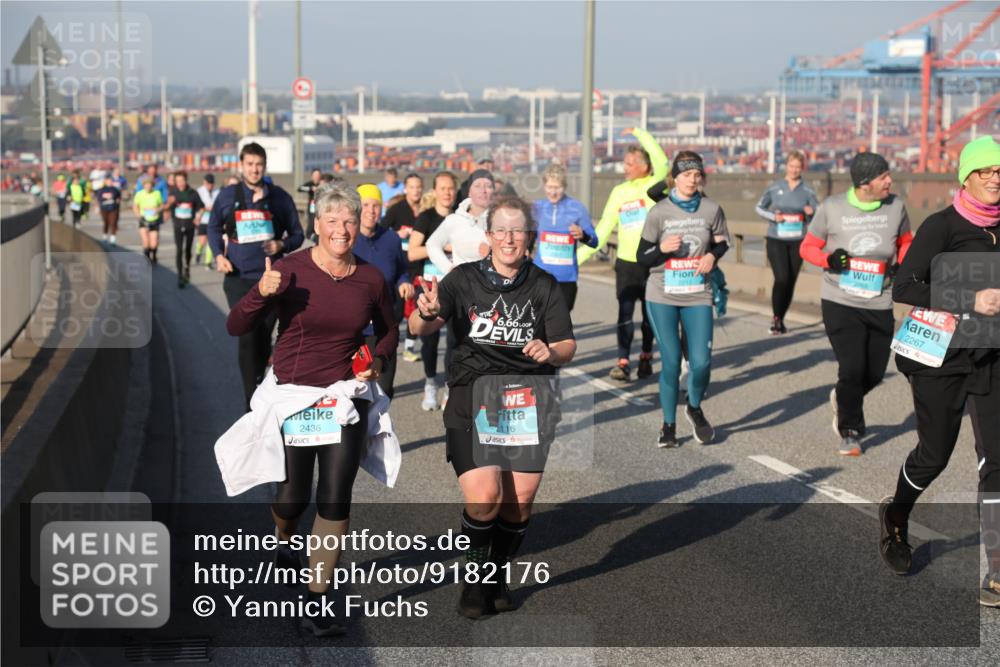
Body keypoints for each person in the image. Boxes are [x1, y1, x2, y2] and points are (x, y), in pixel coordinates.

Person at [225, 186, 399, 636]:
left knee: (335, 497)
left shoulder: (371, 278)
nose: (341, 230)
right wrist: (260, 294)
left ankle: (317, 600)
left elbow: (388, 329)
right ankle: (284, 538)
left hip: (343, 396)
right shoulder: (290, 270)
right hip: (293, 396)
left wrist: (377, 361)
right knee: (291, 499)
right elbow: (237, 325)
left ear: (358, 225)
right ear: (317, 225)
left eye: (349, 221)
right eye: (332, 220)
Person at [408, 195, 576, 619]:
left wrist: (551, 352)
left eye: (517, 230)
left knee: (518, 501)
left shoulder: (544, 285)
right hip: (472, 394)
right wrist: (424, 313)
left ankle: (494, 574)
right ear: (488, 236)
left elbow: (567, 344)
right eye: (501, 229)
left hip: (528, 398)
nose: (509, 238)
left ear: (529, 238)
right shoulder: (462, 280)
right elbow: (420, 324)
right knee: (485, 497)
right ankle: (474, 580)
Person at [879, 136, 1000, 606]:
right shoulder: (941, 226)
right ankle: (896, 516)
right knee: (935, 455)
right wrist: (971, 299)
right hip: (942, 358)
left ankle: (995, 570)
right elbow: (904, 286)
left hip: (991, 356)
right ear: (966, 177)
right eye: (984, 170)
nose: (994, 177)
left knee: (996, 462)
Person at [800, 152, 912, 456]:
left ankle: (844, 398)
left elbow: (905, 241)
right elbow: (807, 247)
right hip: (840, 299)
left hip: (880, 300)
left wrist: (903, 263)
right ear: (865, 183)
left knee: (874, 373)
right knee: (851, 368)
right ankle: (850, 430)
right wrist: (829, 260)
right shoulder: (832, 208)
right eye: (883, 176)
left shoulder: (896, 206)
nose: (889, 181)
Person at [636, 151, 730, 447]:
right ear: (674, 178)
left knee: (701, 363)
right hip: (662, 293)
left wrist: (713, 257)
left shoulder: (711, 209)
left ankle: (694, 406)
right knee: (672, 362)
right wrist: (662, 248)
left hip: (697, 293)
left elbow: (723, 242)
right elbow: (642, 258)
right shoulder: (659, 212)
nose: (692, 180)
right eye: (686, 174)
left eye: (697, 175)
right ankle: (668, 425)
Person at [208, 142, 304, 409]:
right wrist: (218, 255)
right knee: (247, 334)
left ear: (264, 166)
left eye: (258, 164)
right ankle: (250, 403)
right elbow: (214, 227)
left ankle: (263, 380)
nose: (254, 169)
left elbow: (298, 234)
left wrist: (281, 245)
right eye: (249, 164)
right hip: (238, 278)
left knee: (264, 334)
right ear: (241, 166)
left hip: (272, 277)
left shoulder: (280, 198)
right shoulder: (228, 196)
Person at [579, 128, 669, 382]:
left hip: (652, 261)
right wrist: (573, 261)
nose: (625, 168)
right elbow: (602, 232)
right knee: (625, 314)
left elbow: (663, 162)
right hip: (627, 263)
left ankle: (645, 356)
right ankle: (622, 361)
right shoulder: (619, 191)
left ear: (644, 166)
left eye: (630, 163)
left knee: (651, 315)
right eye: (624, 163)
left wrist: (639, 133)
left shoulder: (654, 185)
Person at [352, 184, 414, 398]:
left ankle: (379, 431)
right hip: (355, 329)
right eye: (366, 205)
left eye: (376, 205)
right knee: (357, 390)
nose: (371, 210)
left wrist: (404, 283)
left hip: (385, 326)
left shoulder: (391, 239)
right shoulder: (347, 238)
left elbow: (401, 271)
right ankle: (360, 431)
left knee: (384, 389)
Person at [409, 171, 459, 411]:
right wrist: (439, 247)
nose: (447, 193)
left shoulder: (462, 217)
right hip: (431, 288)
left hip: (457, 288)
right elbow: (412, 252)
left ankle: (449, 386)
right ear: (435, 191)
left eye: (451, 188)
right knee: (429, 342)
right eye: (443, 188)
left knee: (455, 341)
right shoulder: (427, 218)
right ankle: (430, 383)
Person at [755, 150, 820, 334]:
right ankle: (776, 318)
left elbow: (819, 213)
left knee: (791, 280)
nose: (794, 170)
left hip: (798, 240)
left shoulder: (808, 190)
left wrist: (811, 212)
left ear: (802, 168)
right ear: (786, 166)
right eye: (791, 166)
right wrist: (773, 216)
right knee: (782, 277)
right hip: (776, 239)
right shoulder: (775, 187)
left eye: (798, 167)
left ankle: (780, 319)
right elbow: (759, 208)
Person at [531, 163, 597, 310]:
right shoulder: (536, 208)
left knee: (561, 327)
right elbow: (527, 236)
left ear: (565, 186)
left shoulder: (577, 208)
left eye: (557, 188)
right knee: (539, 326)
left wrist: (583, 236)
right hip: (540, 276)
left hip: (567, 278)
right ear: (544, 186)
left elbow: (594, 241)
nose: (553, 192)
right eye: (549, 187)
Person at [382, 172, 424, 361]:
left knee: (417, 309)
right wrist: (397, 233)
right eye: (412, 187)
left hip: (422, 265)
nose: (416, 191)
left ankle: (409, 348)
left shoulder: (426, 209)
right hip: (401, 265)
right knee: (398, 312)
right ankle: (388, 343)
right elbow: (381, 230)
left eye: (419, 187)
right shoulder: (397, 209)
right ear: (405, 189)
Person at [166, 171, 205, 289]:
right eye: (177, 181)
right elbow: (166, 207)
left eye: (182, 181)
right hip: (177, 225)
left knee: (187, 249)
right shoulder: (173, 192)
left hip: (190, 225)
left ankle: (187, 267)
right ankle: (179, 276)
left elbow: (202, 207)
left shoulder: (193, 193)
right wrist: (169, 203)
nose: (180, 183)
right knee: (179, 250)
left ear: (186, 180)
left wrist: (198, 218)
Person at [133, 176, 165, 263]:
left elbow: (162, 205)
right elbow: (135, 206)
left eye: (150, 185)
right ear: (143, 185)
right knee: (145, 241)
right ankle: (147, 259)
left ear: (152, 185)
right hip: (143, 219)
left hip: (154, 219)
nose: (148, 186)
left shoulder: (157, 193)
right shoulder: (139, 194)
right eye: (146, 185)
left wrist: (157, 210)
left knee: (154, 243)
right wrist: (138, 215)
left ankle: (154, 255)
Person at [195, 174, 219, 268]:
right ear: (204, 183)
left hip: (213, 221)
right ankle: (198, 252)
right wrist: (204, 208)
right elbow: (196, 205)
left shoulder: (217, 192)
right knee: (202, 241)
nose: (210, 186)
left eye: (212, 184)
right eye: (208, 184)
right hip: (202, 220)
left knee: (211, 242)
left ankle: (208, 262)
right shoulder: (199, 191)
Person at [95, 174, 122, 245]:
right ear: (105, 181)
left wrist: (117, 203)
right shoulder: (101, 190)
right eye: (108, 181)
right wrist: (98, 206)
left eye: (110, 181)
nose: (109, 182)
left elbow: (118, 198)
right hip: (104, 208)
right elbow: (98, 199)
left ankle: (113, 239)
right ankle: (105, 237)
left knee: (113, 223)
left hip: (113, 208)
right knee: (106, 223)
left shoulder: (115, 190)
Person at [297, 168, 323, 241]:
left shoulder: (322, 183)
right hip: (312, 208)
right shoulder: (310, 184)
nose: (316, 177)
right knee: (311, 227)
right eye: (315, 175)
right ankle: (315, 239)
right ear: (312, 176)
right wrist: (311, 189)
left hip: (322, 208)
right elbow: (299, 188)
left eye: (318, 175)